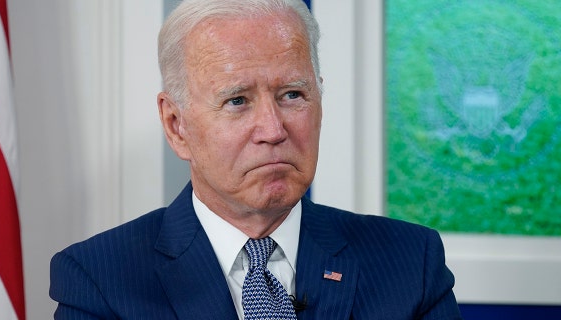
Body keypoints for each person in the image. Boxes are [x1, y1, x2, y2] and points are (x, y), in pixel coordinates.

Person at [49, 0, 462, 319]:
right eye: (237, 101)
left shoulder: (411, 262)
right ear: (177, 126)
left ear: (320, 100)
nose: (273, 129)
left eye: (292, 95)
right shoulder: (100, 280)